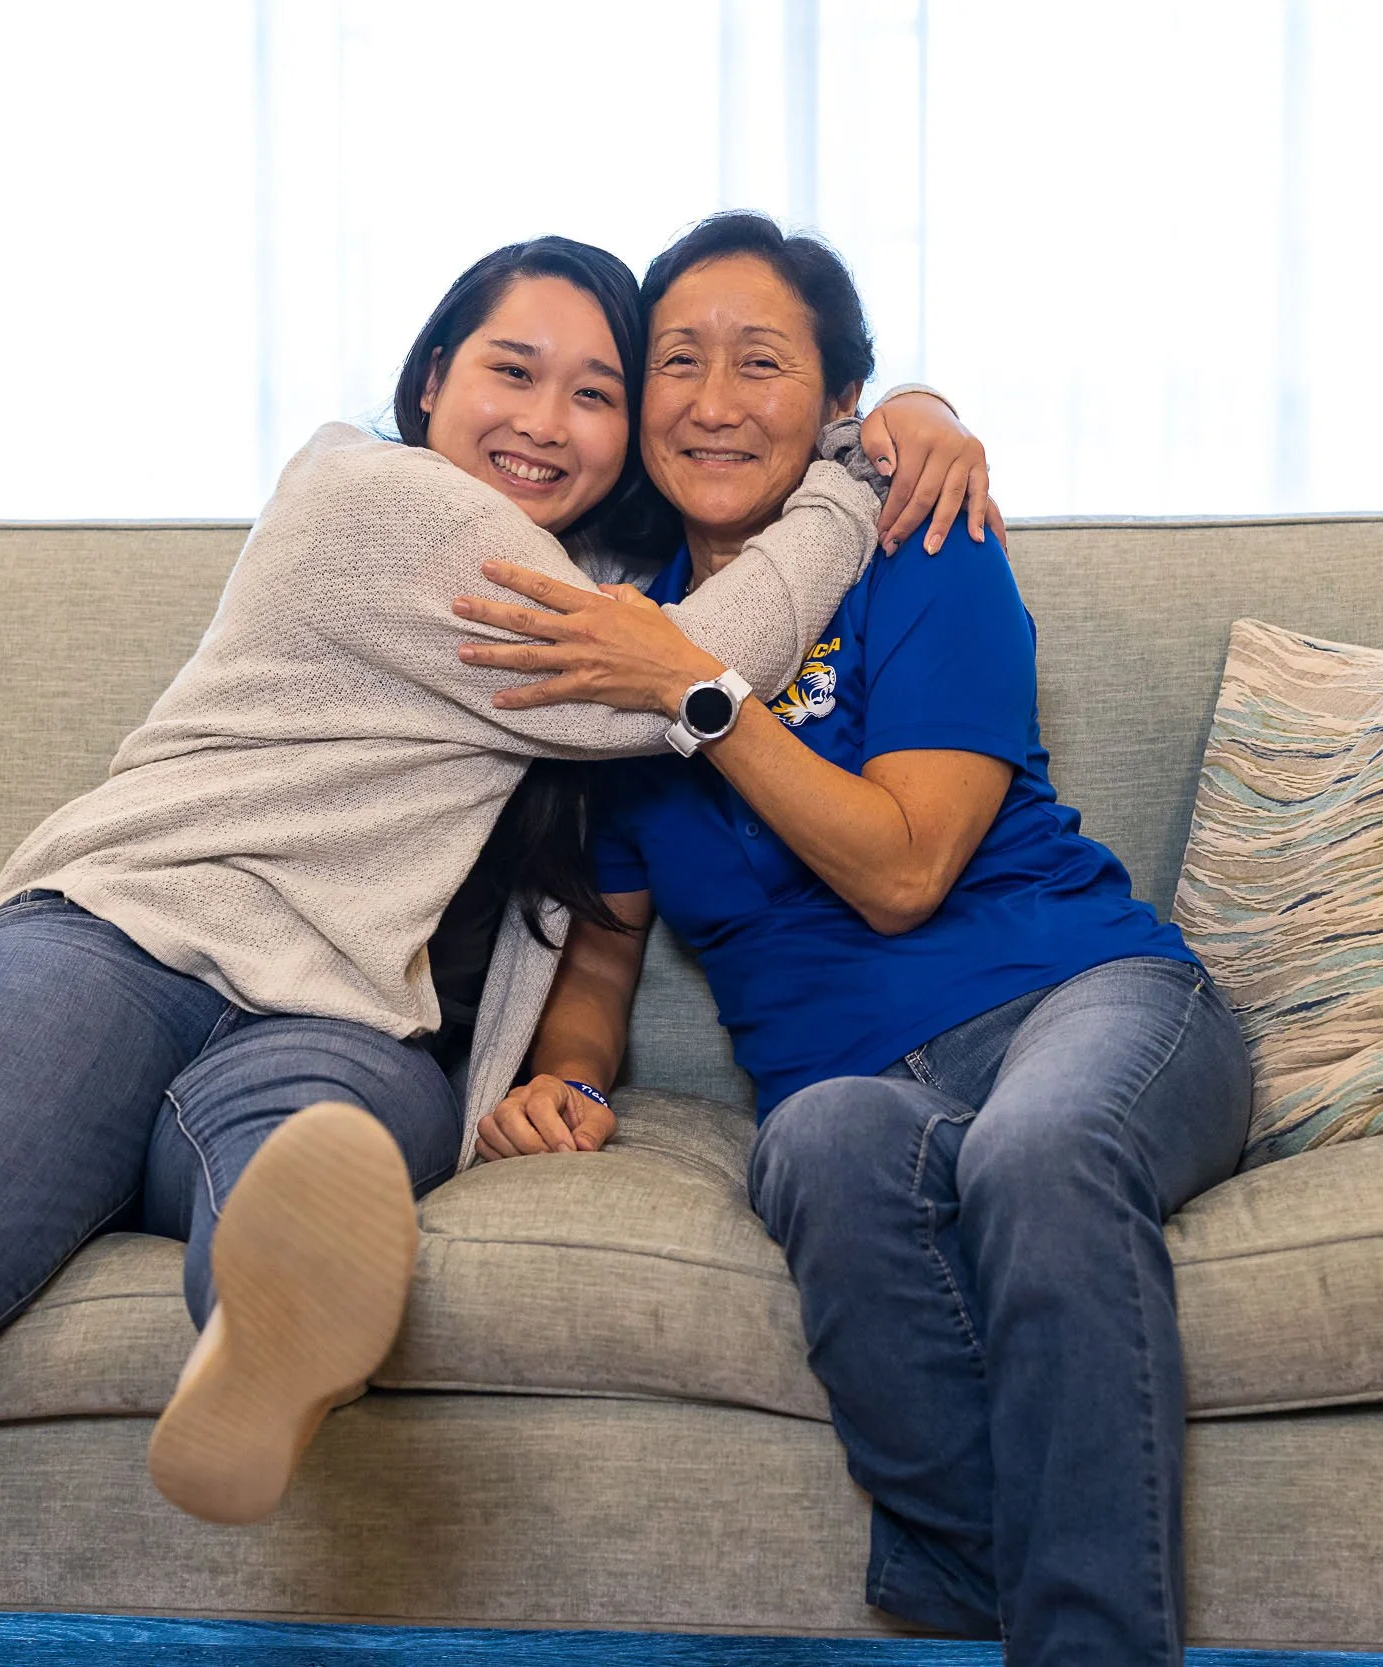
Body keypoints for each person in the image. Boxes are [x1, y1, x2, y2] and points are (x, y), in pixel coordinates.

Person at [0, 233, 991, 1667]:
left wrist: (903, 407)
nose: (547, 421)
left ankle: (262, 1340)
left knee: (303, 1163)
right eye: (511, 372)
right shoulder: (371, 497)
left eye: (596, 393)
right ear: (426, 386)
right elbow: (661, 688)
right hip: (123, 938)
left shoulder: (610, 572)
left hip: (346, 1013)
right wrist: (863, 473)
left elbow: (618, 843)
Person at [455, 212, 1253, 1667]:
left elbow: (905, 868)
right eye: (677, 362)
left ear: (835, 409)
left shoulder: (915, 552)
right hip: (859, 1083)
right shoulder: (619, 640)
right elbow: (605, 957)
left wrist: (701, 694)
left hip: (1082, 999)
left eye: (760, 363)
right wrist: (563, 1076)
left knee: (1038, 1150)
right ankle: (985, 1606)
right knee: (816, 1141)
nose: (711, 399)